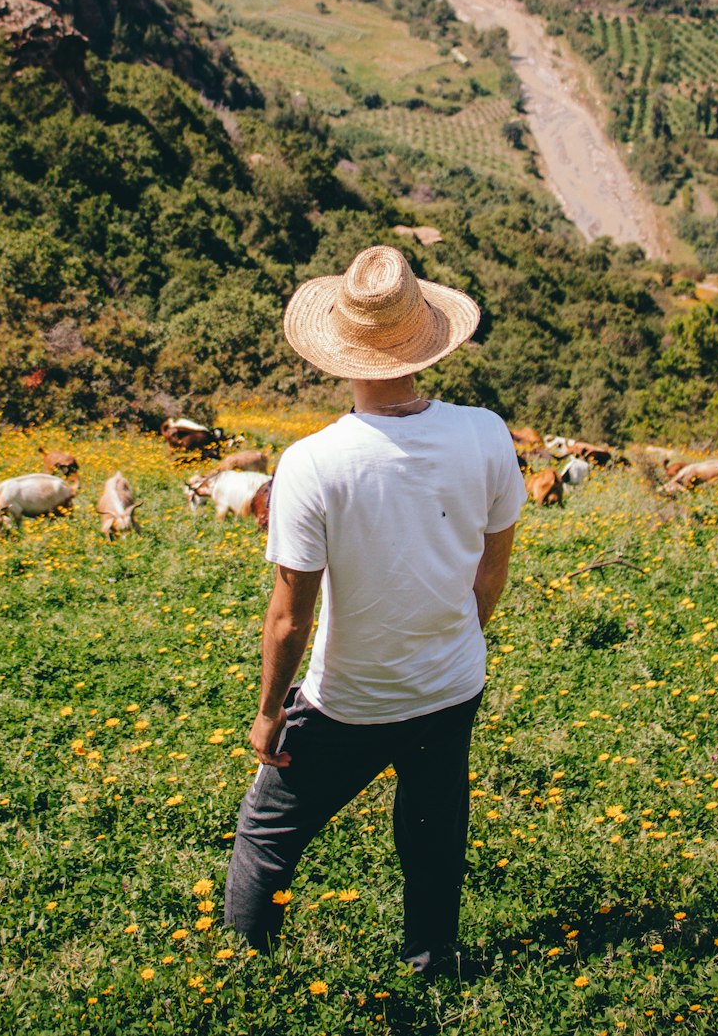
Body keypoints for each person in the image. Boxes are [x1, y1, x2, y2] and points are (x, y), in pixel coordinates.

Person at [224, 244, 526, 973]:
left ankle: (238, 969)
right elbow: (493, 569)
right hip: (451, 685)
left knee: (267, 832)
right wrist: (453, 640)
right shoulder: (486, 432)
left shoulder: (312, 463)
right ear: (424, 338)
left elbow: (289, 617)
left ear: (340, 350)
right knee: (433, 828)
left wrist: (268, 711)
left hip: (347, 701)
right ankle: (432, 961)